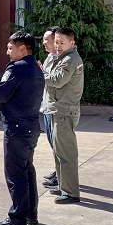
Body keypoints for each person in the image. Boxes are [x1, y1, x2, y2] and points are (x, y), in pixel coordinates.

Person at [0, 31, 44, 225]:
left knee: (15, 174)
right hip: (31, 127)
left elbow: (2, 95)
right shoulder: (35, 67)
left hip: (16, 128)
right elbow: (16, 92)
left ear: (22, 48)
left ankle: (18, 218)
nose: (7, 52)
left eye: (10, 48)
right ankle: (30, 213)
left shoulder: (16, 68)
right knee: (27, 170)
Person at [45, 27, 84, 204]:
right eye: (56, 42)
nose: (58, 46)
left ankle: (71, 193)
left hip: (64, 111)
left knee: (66, 154)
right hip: (58, 110)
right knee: (59, 152)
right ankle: (63, 186)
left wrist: (41, 73)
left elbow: (57, 80)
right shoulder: (63, 58)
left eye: (62, 42)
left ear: (72, 43)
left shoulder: (70, 59)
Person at [39, 26, 59, 188]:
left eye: (47, 39)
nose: (44, 43)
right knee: (53, 142)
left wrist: (42, 72)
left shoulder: (62, 59)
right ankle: (58, 172)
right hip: (47, 106)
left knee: (59, 144)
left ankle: (61, 177)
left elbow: (55, 81)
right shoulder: (50, 57)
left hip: (56, 108)